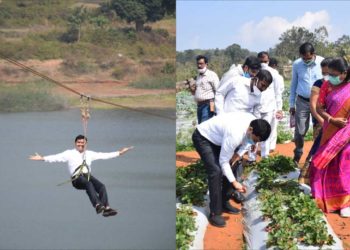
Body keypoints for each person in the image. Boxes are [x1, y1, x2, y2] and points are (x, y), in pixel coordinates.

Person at [192, 112, 271, 227]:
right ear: (250, 129)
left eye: (258, 142)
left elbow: (246, 142)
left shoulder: (255, 123)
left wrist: (238, 155)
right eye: (255, 139)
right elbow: (223, 162)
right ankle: (215, 213)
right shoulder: (235, 134)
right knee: (216, 171)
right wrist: (234, 183)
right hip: (204, 138)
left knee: (234, 163)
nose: (255, 143)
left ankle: (224, 200)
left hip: (221, 139)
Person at [29, 135, 133, 217]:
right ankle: (97, 205)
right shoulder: (69, 153)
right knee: (88, 184)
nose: (80, 144)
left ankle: (106, 208)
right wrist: (42, 158)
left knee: (101, 186)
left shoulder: (90, 154)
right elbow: (56, 157)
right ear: (75, 143)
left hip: (87, 176)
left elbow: (104, 155)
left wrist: (119, 153)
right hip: (77, 179)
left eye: (82, 143)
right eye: (78, 142)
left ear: (86, 144)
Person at [309, 57, 350, 217]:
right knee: (324, 163)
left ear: (344, 73)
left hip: (346, 133)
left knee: (344, 162)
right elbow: (319, 108)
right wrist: (331, 119)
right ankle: (325, 198)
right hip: (329, 131)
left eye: (333, 74)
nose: (330, 77)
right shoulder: (326, 86)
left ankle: (345, 202)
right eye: (328, 74)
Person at [298, 57, 332, 184]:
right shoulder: (318, 84)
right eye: (323, 73)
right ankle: (310, 177)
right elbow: (313, 107)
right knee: (318, 148)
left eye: (328, 73)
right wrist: (322, 121)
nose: (326, 76)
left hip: (335, 122)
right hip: (321, 122)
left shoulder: (340, 85)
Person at [289, 42, 324, 165]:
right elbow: (293, 84)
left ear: (313, 54)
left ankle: (315, 156)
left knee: (319, 129)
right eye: (303, 58)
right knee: (300, 131)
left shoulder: (322, 62)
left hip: (319, 102)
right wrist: (291, 104)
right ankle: (298, 153)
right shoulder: (297, 64)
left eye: (308, 58)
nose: (306, 60)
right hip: (302, 101)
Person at [246, 52, 284, 163]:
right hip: (254, 108)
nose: (263, 64)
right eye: (261, 61)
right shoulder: (253, 73)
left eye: (265, 61)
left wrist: (279, 108)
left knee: (265, 133)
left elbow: (278, 93)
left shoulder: (274, 74)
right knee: (252, 132)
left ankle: (264, 157)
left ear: (269, 61)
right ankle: (251, 158)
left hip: (269, 108)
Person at [191, 55, 220, 124]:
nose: (199, 65)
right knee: (201, 126)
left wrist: (217, 108)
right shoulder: (198, 76)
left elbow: (218, 91)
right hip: (199, 106)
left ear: (206, 64)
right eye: (198, 63)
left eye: (201, 63)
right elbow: (195, 92)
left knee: (204, 126)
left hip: (208, 105)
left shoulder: (212, 75)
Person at [268, 57, 285, 152]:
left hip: (271, 103)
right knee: (273, 126)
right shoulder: (278, 76)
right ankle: (271, 147)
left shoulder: (263, 74)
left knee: (270, 125)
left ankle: (267, 147)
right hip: (275, 102)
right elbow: (280, 91)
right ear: (275, 66)